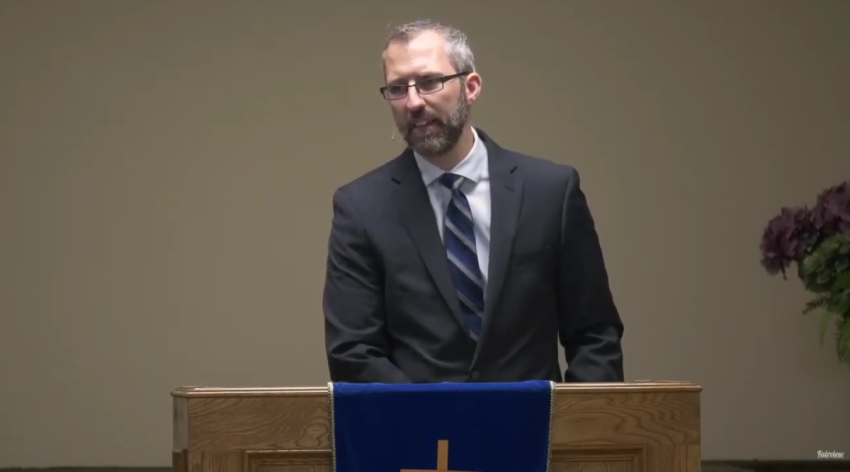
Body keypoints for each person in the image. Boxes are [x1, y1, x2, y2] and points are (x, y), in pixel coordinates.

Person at [322, 19, 624, 384]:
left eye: (430, 82)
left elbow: (595, 335)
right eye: (398, 88)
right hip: (419, 433)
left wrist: (577, 431)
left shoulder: (550, 192)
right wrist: (435, 421)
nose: (414, 102)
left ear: (472, 87)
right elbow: (353, 351)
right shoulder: (362, 208)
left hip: (535, 430)